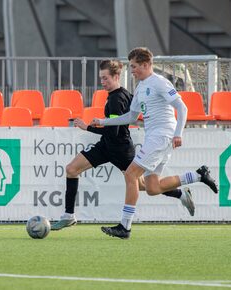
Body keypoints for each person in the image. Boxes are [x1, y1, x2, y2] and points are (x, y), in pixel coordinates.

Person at [51, 59, 196, 231]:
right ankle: (68, 216)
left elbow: (114, 131)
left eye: (106, 78)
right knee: (71, 169)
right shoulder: (123, 94)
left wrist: (87, 127)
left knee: (143, 185)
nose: (102, 82)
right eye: (101, 78)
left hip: (120, 149)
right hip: (106, 146)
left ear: (116, 76)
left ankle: (180, 194)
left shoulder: (117, 100)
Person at [91, 47, 218, 239]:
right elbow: (131, 117)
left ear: (146, 65)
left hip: (162, 135)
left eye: (134, 66)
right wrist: (103, 121)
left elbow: (181, 107)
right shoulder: (141, 87)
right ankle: (198, 176)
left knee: (131, 174)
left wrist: (178, 134)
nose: (131, 70)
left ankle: (125, 227)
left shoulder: (159, 82)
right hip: (155, 137)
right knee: (152, 188)